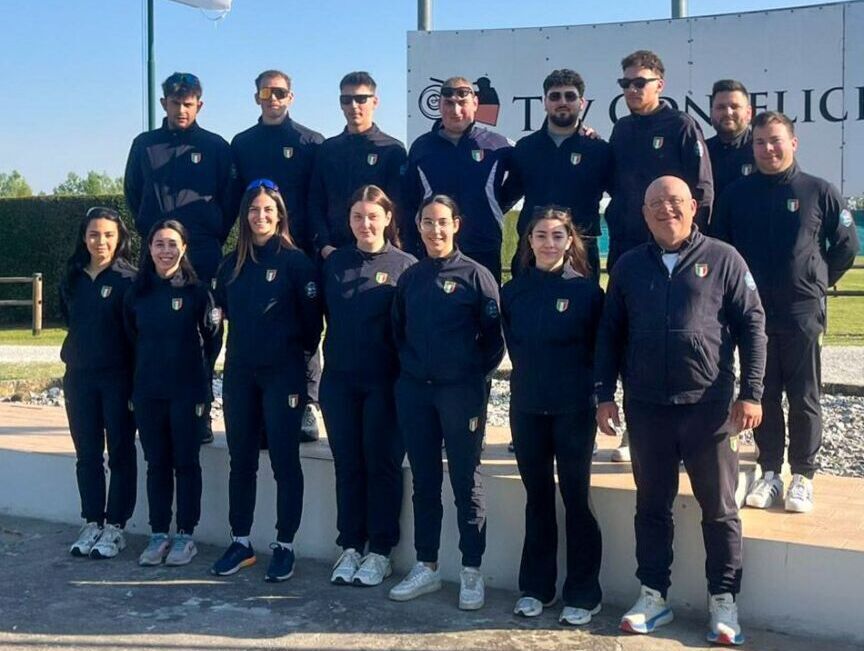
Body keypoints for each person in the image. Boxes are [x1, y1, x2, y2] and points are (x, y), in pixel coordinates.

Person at [594, 176, 766, 646]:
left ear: (693, 206)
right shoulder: (628, 265)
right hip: (647, 409)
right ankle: (654, 595)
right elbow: (610, 333)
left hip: (709, 410)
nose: (665, 209)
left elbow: (753, 327)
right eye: (655, 203)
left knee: (720, 510)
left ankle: (724, 601)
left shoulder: (724, 258)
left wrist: (752, 393)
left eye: (674, 201)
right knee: (651, 506)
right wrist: (604, 394)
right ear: (644, 213)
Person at [713, 111, 859, 513]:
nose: (767, 149)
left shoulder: (818, 190)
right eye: (760, 142)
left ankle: (803, 476)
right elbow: (720, 250)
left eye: (775, 140)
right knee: (762, 393)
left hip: (801, 313)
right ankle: (770, 471)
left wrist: (816, 282)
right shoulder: (736, 195)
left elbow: (846, 245)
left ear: (792, 143)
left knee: (804, 396)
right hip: (753, 315)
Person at [389, 195, 505, 610]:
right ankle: (427, 565)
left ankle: (471, 570)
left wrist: (467, 375)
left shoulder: (477, 276)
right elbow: (398, 332)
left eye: (442, 222)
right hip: (416, 393)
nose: (435, 230)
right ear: (418, 226)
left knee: (465, 481)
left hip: (461, 394)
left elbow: (494, 342)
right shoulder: (411, 277)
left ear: (456, 224)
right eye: (427, 222)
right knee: (424, 481)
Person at [209, 179, 323, 582]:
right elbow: (219, 315)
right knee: (241, 460)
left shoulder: (296, 263)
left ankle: (284, 545)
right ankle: (240, 542)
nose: (260, 216)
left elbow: (312, 328)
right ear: (244, 216)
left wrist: (291, 360)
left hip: (283, 376)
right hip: (240, 375)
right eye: (254, 210)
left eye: (268, 210)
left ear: (279, 215)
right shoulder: (229, 265)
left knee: (284, 461)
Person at [605, 50, 714, 462]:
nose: (632, 90)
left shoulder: (681, 126)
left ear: (659, 85)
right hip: (629, 254)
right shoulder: (620, 130)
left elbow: (702, 191)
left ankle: (689, 433)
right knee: (631, 339)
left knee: (677, 337)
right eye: (626, 84)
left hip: (673, 258)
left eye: (640, 82)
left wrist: (687, 247)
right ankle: (635, 432)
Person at [501, 207, 604, 626]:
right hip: (527, 408)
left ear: (569, 241)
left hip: (574, 410)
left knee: (576, 499)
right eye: (540, 235)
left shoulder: (587, 293)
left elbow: (599, 352)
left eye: (557, 236)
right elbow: (510, 344)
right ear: (529, 241)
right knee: (538, 497)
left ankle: (583, 592)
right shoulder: (513, 292)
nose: (548, 243)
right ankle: (536, 588)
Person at [124, 72, 234, 444]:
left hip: (201, 253)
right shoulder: (144, 145)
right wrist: (152, 231)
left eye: (188, 104)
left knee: (204, 331)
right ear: (164, 104)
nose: (182, 110)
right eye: (175, 103)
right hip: (157, 252)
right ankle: (152, 409)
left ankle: (200, 412)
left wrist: (209, 232)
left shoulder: (216, 147)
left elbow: (229, 198)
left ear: (199, 105)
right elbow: (133, 192)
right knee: (153, 327)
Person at [320, 185, 416, 587]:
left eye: (373, 216)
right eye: (358, 216)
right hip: (339, 382)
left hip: (385, 384)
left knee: (382, 465)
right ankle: (350, 545)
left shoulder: (406, 266)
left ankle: (380, 550)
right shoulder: (334, 263)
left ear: (388, 218)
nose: (365, 224)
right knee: (348, 465)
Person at [231, 69, 325, 443]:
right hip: (256, 253)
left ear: (291, 97)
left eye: (280, 92)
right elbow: (233, 199)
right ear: (256, 97)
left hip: (300, 253)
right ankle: (258, 404)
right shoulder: (242, 143)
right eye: (265, 93)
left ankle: (308, 403)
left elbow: (317, 197)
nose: (273, 99)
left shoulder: (310, 141)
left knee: (305, 326)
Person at [124, 220, 220, 567]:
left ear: (184, 248)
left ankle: (185, 535)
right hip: (149, 392)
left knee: (186, 463)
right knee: (157, 463)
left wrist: (198, 379)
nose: (166, 251)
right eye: (159, 244)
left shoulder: (197, 292)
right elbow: (131, 338)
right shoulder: (136, 292)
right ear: (149, 248)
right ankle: (158, 533)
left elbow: (213, 340)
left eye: (172, 244)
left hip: (188, 392)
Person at [61, 207, 137, 560]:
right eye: (94, 234)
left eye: (108, 235)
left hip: (118, 378)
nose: (100, 241)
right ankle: (93, 520)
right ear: (84, 237)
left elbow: (135, 333)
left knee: (120, 451)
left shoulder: (129, 280)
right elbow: (69, 319)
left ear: (119, 238)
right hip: (79, 378)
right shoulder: (72, 277)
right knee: (87, 454)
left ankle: (116, 526)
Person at [502, 69, 612, 280]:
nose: (562, 102)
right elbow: (506, 197)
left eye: (570, 96)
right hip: (532, 251)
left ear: (582, 103)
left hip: (581, 253)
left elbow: (622, 196)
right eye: (555, 96)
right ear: (545, 102)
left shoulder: (598, 150)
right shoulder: (525, 148)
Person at [403, 77, 512, 282]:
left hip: (483, 249)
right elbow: (409, 202)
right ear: (439, 105)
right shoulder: (421, 147)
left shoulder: (498, 145)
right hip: (435, 250)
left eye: (462, 103)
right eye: (449, 103)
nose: (456, 110)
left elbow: (522, 179)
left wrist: (496, 205)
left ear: (475, 104)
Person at [309, 71, 407, 260]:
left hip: (377, 255)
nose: (353, 106)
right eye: (346, 100)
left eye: (361, 99)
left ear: (375, 102)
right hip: (333, 253)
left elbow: (398, 206)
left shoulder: (392, 149)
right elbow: (315, 202)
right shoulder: (328, 149)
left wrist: (388, 249)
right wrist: (324, 245)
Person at [706, 80, 754, 203]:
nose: (728, 113)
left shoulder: (762, 150)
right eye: (721, 107)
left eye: (735, 107)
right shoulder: (703, 151)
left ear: (749, 113)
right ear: (711, 113)